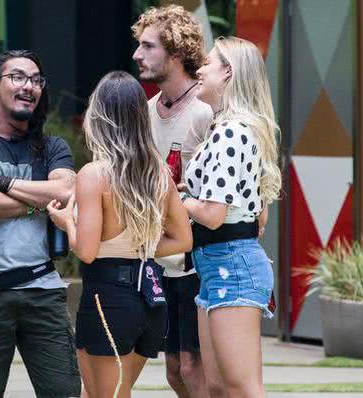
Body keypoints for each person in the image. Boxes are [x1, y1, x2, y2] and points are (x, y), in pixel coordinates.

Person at [47, 71, 192, 398]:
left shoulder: (95, 174)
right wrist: (139, 247)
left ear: (99, 116)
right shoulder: (158, 172)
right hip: (150, 298)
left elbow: (86, 251)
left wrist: (65, 222)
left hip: (107, 297)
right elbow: (183, 239)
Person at [0, 49, 81, 398]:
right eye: (18, 77)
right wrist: (37, 203)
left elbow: (67, 192)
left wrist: (3, 183)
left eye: (36, 80)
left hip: (42, 291)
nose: (29, 87)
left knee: (65, 392)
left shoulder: (52, 147)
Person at [183, 36, 281, 398]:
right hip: (220, 264)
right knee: (219, 386)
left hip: (229, 264)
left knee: (240, 388)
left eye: (208, 63)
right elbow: (260, 214)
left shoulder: (230, 132)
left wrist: (176, 200)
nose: (200, 70)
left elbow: (211, 213)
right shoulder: (231, 129)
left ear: (229, 73)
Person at [131, 5, 214, 397]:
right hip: (162, 258)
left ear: (176, 53)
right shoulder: (147, 113)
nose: (137, 55)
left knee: (194, 368)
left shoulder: (206, 112)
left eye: (148, 46)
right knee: (175, 373)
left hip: (202, 258)